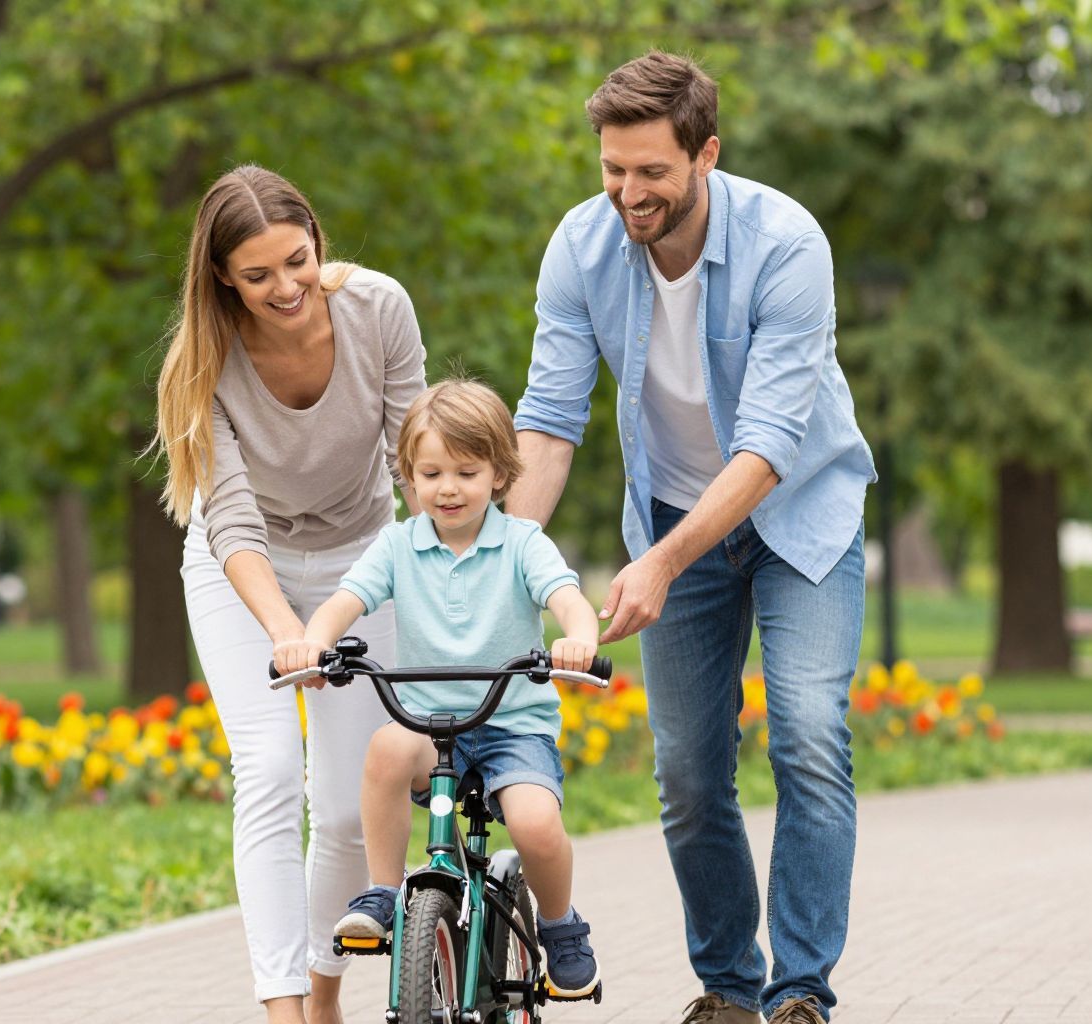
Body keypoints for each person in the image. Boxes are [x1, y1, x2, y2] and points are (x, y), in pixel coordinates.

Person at [505, 52, 877, 1024]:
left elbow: (767, 448)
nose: (629, 193)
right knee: (685, 768)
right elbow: (546, 425)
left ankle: (800, 994)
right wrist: (491, 559)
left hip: (801, 515)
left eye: (652, 172)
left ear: (705, 154)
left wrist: (662, 565)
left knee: (809, 735)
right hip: (673, 514)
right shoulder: (579, 248)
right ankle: (728, 987)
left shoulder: (786, 242)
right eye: (612, 169)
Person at [152, 164, 426, 1024]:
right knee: (268, 771)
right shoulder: (207, 358)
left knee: (349, 805)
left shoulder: (379, 308)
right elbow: (229, 520)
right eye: (259, 274)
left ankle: (324, 992)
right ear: (223, 277)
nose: (286, 287)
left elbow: (414, 459)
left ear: (316, 240)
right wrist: (284, 632)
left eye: (297, 261)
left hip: (363, 556)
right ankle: (283, 1010)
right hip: (244, 573)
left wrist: (453, 571)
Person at [286, 379, 604, 998]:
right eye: (431, 473)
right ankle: (383, 893)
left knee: (535, 824)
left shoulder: (521, 544)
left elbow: (567, 598)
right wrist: (313, 640)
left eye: (466, 470)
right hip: (431, 725)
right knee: (383, 749)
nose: (448, 487)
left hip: (513, 723)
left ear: (500, 474)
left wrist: (579, 638)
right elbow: (345, 601)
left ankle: (563, 926)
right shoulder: (398, 545)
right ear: (409, 477)